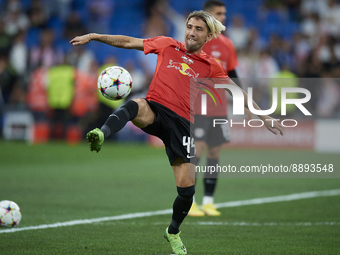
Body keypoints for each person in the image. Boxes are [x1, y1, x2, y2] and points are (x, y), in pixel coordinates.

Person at [70, 10, 283, 255]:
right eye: (190, 26)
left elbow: (236, 93)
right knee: (136, 105)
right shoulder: (167, 45)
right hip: (156, 109)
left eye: (198, 29)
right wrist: (94, 36)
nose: (192, 32)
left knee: (187, 191)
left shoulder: (210, 65)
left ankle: (173, 232)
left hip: (183, 125)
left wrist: (264, 116)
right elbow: (128, 42)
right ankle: (101, 133)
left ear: (208, 36)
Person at [188, 0, 245, 217]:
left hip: (219, 108)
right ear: (208, 16)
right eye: (219, 13)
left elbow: (233, 75)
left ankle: (209, 201)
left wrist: (243, 102)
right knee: (197, 153)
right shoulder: (196, 40)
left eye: (224, 13)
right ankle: (190, 201)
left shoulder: (227, 44)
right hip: (198, 107)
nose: (224, 17)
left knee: (214, 153)